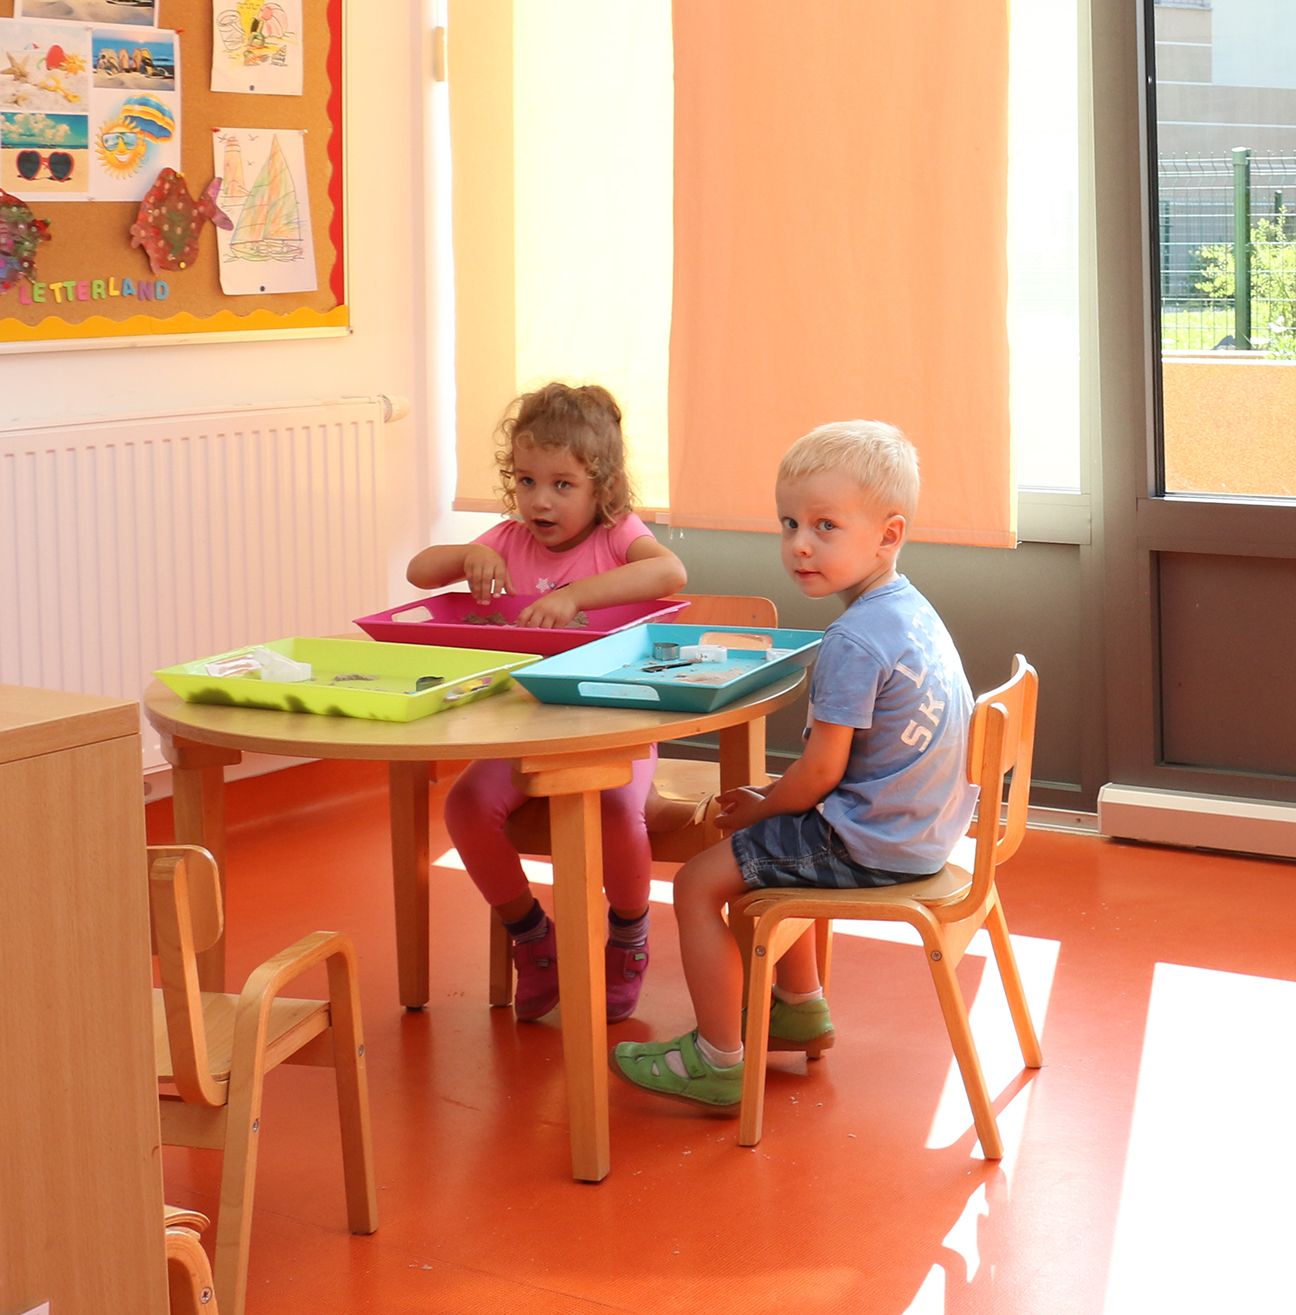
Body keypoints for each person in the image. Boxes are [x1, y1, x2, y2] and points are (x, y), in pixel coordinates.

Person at [613, 419, 976, 1108]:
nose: (799, 545)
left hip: (873, 841)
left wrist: (763, 803)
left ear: (889, 535)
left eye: (825, 526)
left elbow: (817, 777)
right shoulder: (910, 610)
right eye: (789, 524)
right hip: (922, 828)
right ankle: (798, 1005)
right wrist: (774, 805)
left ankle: (717, 1059)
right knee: (770, 836)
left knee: (696, 883)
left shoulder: (853, 640)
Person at [409, 383, 689, 1022]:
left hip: (613, 726)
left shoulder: (617, 536)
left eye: (563, 485)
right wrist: (469, 553)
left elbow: (670, 573)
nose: (540, 500)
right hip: (524, 730)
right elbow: (420, 572)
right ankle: (533, 939)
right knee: (465, 807)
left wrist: (575, 596)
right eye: (527, 481)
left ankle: (629, 938)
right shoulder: (507, 539)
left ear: (602, 488)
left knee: (616, 810)